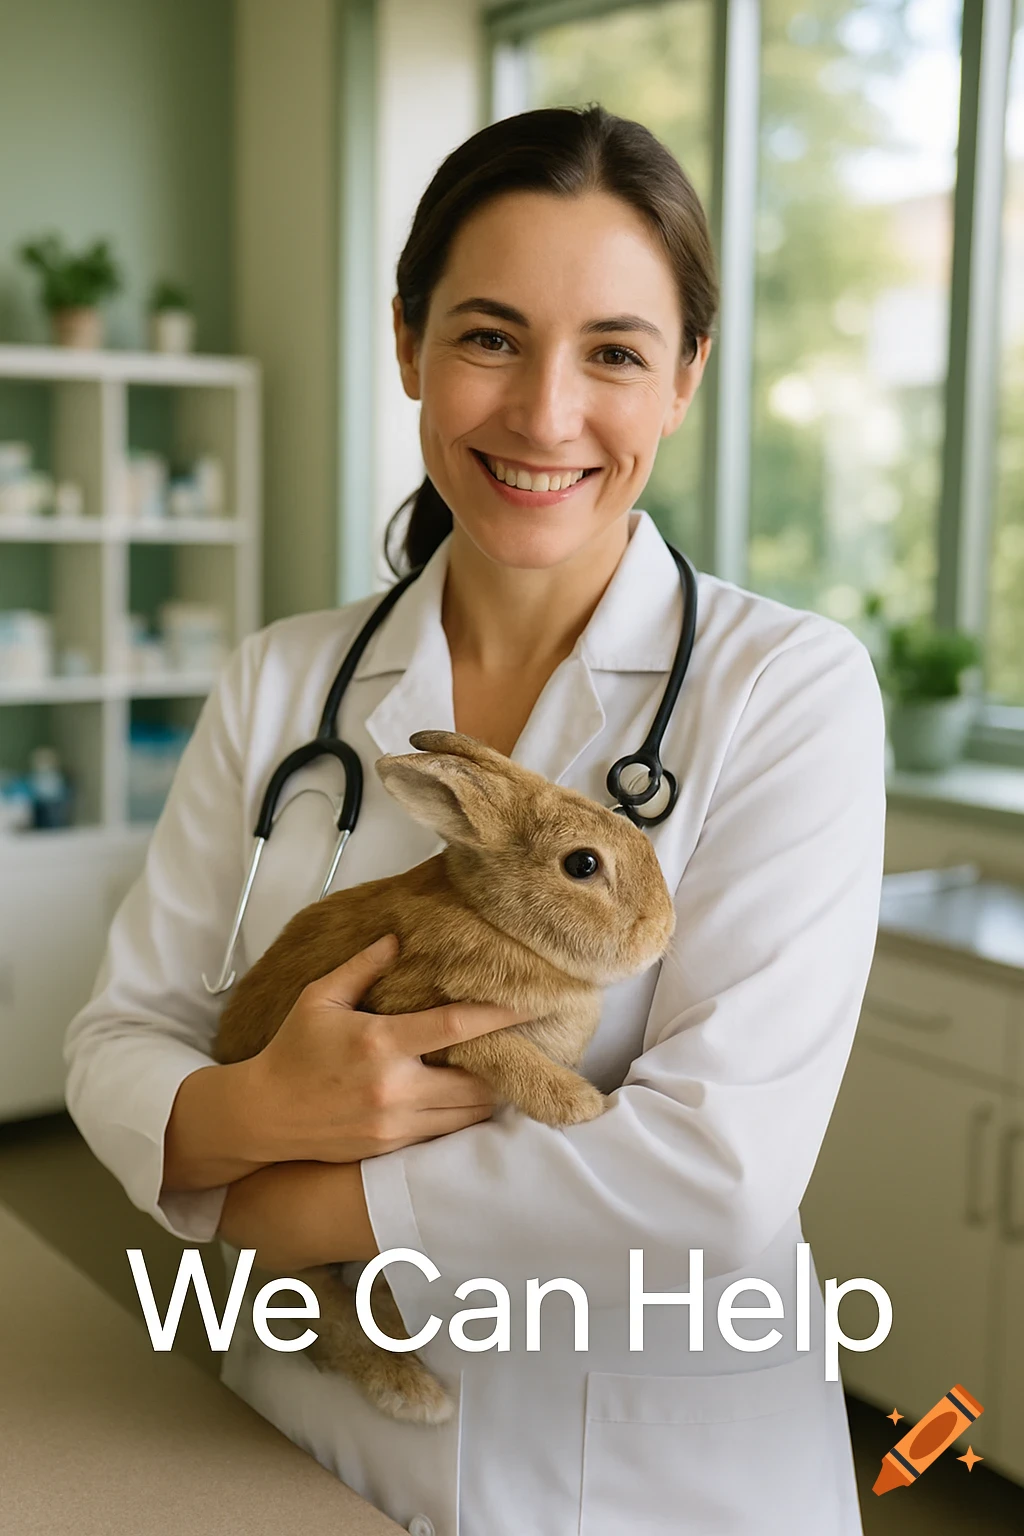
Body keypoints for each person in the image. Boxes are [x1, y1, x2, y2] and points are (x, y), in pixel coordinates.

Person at [64, 105, 885, 1535]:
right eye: (491, 337)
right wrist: (243, 1112)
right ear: (408, 345)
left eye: (614, 352)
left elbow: (715, 1177)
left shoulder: (788, 689)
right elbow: (121, 1036)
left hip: (650, 1483)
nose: (545, 415)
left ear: (686, 378)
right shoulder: (283, 682)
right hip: (301, 1448)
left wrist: (262, 1204)